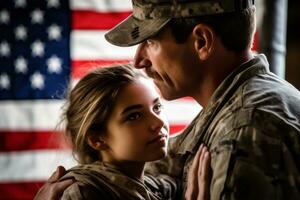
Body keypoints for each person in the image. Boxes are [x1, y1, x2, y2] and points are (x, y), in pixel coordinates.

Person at [35, 0, 300, 199]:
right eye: (134, 115)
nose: (138, 61)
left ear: (201, 42)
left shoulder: (244, 132)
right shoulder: (243, 109)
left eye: (150, 41)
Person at [34, 64, 210, 200]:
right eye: (134, 117)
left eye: (157, 107)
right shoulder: (83, 192)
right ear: (97, 139)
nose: (158, 122)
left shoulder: (155, 186)